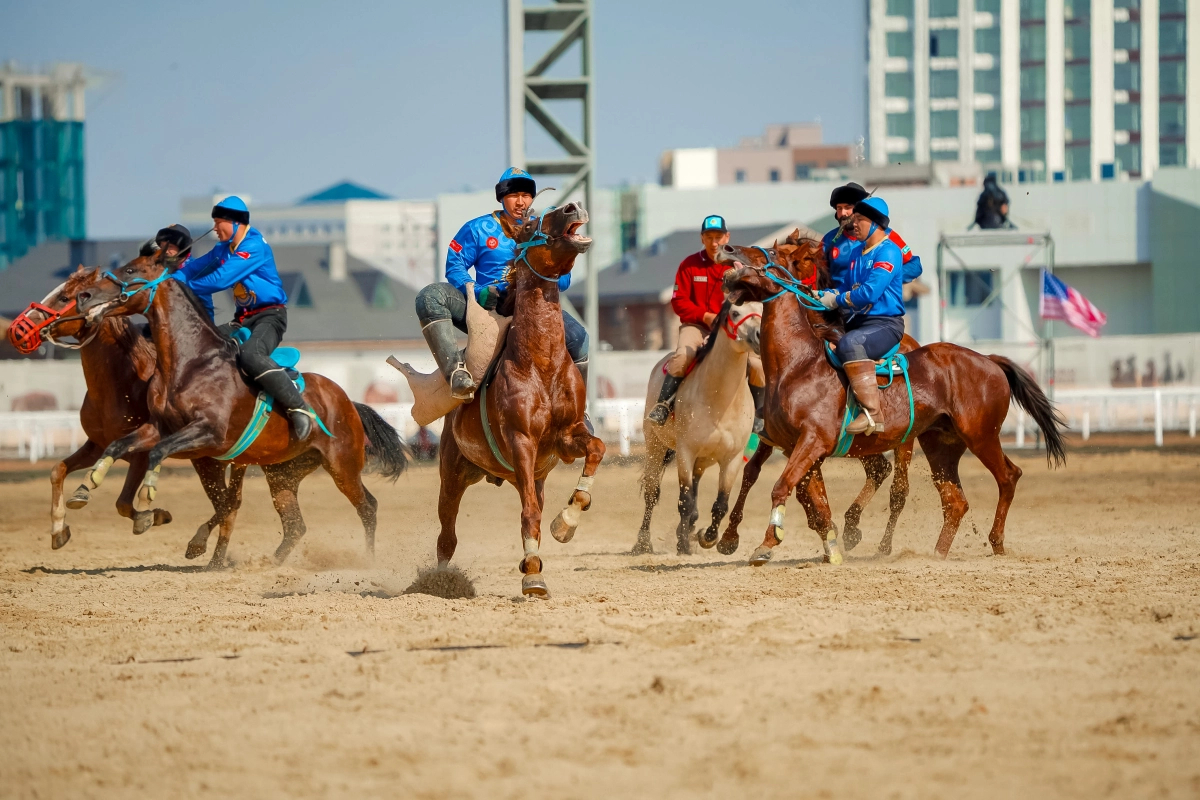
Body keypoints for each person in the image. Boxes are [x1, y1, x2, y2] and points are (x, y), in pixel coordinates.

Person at [414, 167, 589, 400]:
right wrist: (477, 291)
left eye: (526, 195)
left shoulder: (544, 230)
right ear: (502, 198)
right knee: (430, 296)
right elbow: (455, 265)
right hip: (487, 308)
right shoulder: (477, 229)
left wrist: (550, 277)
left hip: (532, 310)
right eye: (514, 195)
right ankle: (455, 373)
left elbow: (564, 279)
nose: (521, 202)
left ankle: (579, 409)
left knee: (579, 338)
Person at [174, 196, 313, 440]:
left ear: (236, 222)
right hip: (242, 319)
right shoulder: (221, 249)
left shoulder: (254, 247)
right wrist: (163, 279)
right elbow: (192, 270)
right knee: (203, 347)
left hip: (270, 317)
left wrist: (182, 286)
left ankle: (299, 407)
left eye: (219, 223)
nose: (215, 228)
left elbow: (220, 280)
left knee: (251, 355)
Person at [647, 214, 767, 429]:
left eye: (719, 237)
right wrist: (705, 316)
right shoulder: (689, 265)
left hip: (732, 329)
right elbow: (679, 302)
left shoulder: (740, 268)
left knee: (757, 364)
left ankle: (760, 417)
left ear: (727, 237)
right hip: (697, 326)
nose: (715, 243)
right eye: (709, 237)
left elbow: (751, 300)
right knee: (683, 356)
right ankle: (663, 405)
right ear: (702, 238)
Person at [818, 196, 906, 436]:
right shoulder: (858, 251)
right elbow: (846, 289)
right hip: (856, 323)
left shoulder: (889, 252)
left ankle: (872, 414)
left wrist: (836, 300)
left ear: (877, 224)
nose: (853, 224)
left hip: (885, 326)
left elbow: (868, 293)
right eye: (853, 219)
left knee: (850, 343)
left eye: (860, 220)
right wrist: (817, 295)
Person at [822, 182, 923, 286]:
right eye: (839, 208)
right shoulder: (829, 240)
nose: (843, 213)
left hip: (875, 299)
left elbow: (914, 266)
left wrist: (883, 279)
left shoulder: (885, 235)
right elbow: (816, 275)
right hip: (838, 299)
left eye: (848, 207)